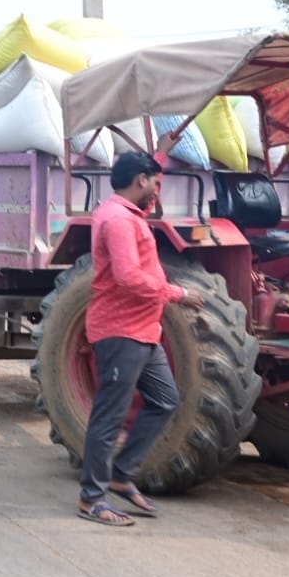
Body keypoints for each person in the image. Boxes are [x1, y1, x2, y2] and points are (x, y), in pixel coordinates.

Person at [78, 151, 205, 527]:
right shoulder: (117, 220)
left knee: (165, 401)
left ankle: (121, 474)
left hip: (144, 331)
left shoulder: (129, 215)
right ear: (140, 180)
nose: (157, 191)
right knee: (109, 417)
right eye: (155, 183)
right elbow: (129, 277)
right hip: (120, 331)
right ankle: (91, 499)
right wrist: (177, 293)